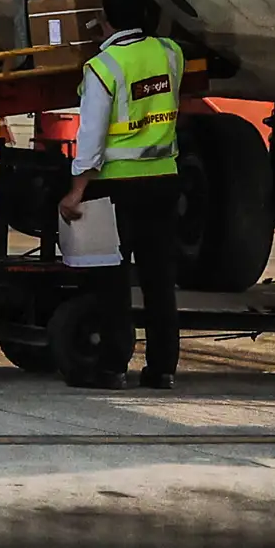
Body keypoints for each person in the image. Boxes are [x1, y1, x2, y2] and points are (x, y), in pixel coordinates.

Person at [57, 19, 188, 389]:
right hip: (163, 178)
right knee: (159, 279)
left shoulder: (103, 66)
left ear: (105, 21)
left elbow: (92, 135)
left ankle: (113, 366)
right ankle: (163, 369)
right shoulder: (170, 52)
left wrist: (76, 190)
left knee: (111, 278)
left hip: (116, 184)